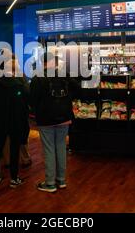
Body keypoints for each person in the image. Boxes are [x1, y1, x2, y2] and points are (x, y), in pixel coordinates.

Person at [30, 52, 80, 193]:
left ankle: (50, 183)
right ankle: (61, 180)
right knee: (61, 147)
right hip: (64, 116)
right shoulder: (65, 75)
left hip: (45, 119)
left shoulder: (38, 78)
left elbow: (32, 99)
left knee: (49, 149)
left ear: (43, 63)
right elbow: (78, 90)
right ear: (56, 63)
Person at [0, 55, 30, 188]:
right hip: (16, 119)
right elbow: (27, 99)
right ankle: (14, 178)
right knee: (14, 149)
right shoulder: (20, 80)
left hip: (0, 120)